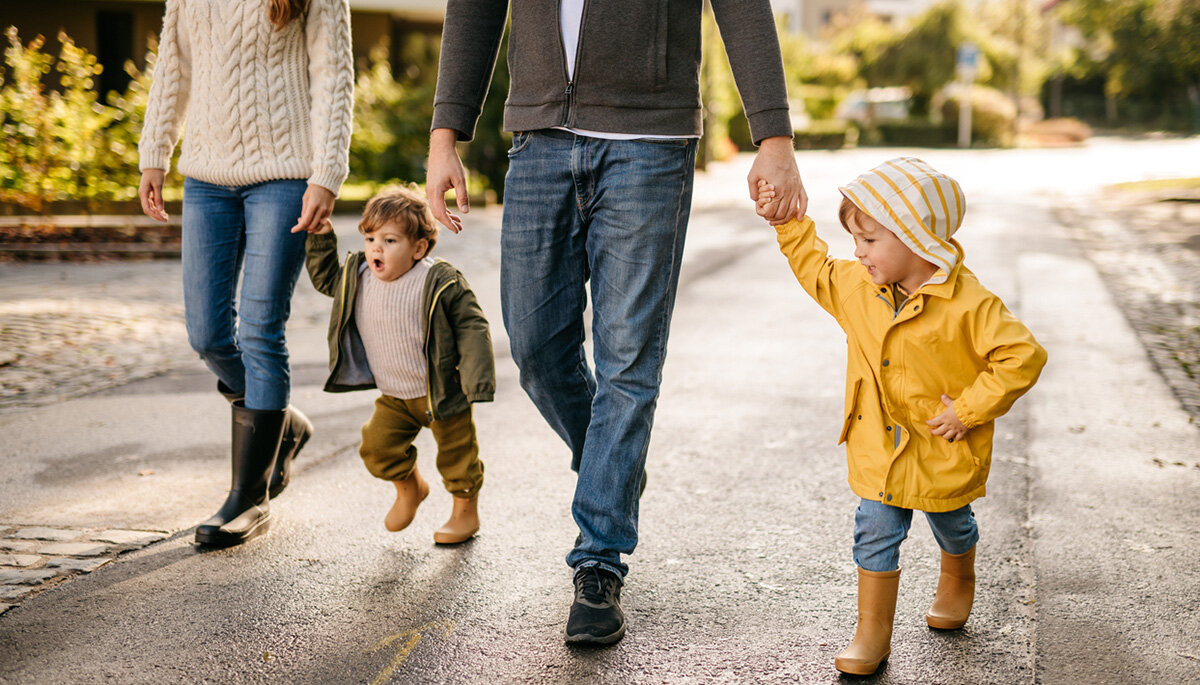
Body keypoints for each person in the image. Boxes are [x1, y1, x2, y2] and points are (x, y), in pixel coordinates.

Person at [426, 0, 807, 645]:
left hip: (649, 145)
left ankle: (598, 560)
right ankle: (613, 466)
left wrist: (774, 136)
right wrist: (445, 136)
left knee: (628, 361)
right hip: (540, 139)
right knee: (534, 346)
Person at [759, 158, 1047, 675]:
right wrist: (788, 223)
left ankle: (959, 577)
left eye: (869, 241)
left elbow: (1022, 355)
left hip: (942, 448)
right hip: (880, 449)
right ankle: (872, 634)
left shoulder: (970, 305)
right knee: (873, 531)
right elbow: (815, 268)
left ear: (917, 239)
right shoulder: (857, 288)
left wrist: (968, 409)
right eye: (855, 239)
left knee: (952, 524)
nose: (857, 252)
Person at [137, 0, 354, 547]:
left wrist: (327, 174)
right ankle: (281, 422)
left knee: (260, 327)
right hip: (206, 177)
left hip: (284, 176)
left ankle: (247, 498)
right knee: (207, 333)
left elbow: (335, 79)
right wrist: (153, 154)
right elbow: (174, 68)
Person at [304, 187, 495, 544]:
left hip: (442, 394)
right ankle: (410, 488)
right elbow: (327, 279)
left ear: (418, 248)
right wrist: (320, 238)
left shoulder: (438, 281)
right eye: (370, 237)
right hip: (395, 396)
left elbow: (472, 326)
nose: (376, 248)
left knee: (459, 459)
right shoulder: (358, 277)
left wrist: (476, 380)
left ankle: (465, 513)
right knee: (376, 447)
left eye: (390, 240)